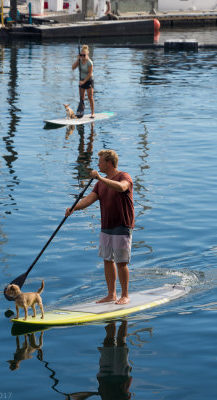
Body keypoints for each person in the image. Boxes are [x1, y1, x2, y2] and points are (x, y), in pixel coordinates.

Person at [65, 149, 135, 305]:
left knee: (121, 262)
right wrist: (74, 208)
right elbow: (89, 200)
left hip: (122, 224)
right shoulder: (99, 184)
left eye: (101, 161)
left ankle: (125, 295)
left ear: (109, 163)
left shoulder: (124, 176)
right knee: (107, 260)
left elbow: (122, 187)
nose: (98, 164)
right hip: (106, 225)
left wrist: (100, 179)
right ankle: (111, 294)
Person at [72, 44, 95, 118]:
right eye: (81, 55)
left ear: (87, 54)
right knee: (81, 98)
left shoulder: (89, 62)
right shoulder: (80, 60)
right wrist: (77, 60)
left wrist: (84, 82)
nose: (82, 57)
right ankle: (81, 112)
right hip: (81, 80)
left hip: (89, 80)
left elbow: (90, 73)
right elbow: (73, 68)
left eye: (84, 55)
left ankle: (92, 113)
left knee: (90, 97)